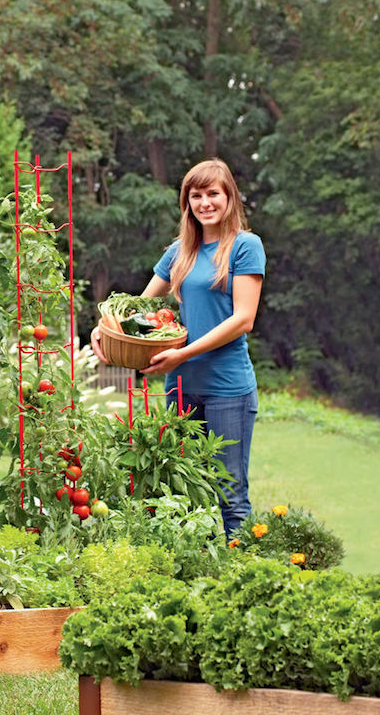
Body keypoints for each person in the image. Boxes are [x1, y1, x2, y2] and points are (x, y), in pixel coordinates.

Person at [91, 158, 265, 536]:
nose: (205, 203)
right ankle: (198, 576)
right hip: (182, 387)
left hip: (227, 386)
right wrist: (104, 328)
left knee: (229, 491)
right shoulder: (180, 252)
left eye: (212, 194)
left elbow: (243, 319)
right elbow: (136, 308)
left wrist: (184, 353)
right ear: (187, 202)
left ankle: (243, 577)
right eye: (196, 195)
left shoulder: (245, 247)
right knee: (187, 489)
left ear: (229, 197)